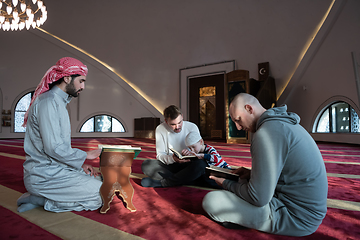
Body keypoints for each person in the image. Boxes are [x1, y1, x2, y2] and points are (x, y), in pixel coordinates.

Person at [202, 93, 328, 237]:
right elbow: (284, 172)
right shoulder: (280, 123)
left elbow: (258, 198)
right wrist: (250, 174)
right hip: (302, 209)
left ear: (249, 109)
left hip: (295, 217)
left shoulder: (266, 133)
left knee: (212, 201)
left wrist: (225, 183)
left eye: (238, 120)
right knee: (242, 181)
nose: (237, 127)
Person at [17, 57, 103, 213]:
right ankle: (39, 199)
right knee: (101, 193)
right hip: (43, 176)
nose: (83, 87)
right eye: (81, 81)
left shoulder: (59, 102)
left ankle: (47, 197)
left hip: (56, 170)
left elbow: (57, 148)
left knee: (100, 179)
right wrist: (85, 155)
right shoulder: (48, 102)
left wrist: (79, 165)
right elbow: (53, 148)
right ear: (67, 78)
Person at [141, 105, 217, 188]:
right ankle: (188, 179)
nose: (177, 127)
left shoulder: (192, 127)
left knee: (201, 165)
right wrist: (173, 159)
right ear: (166, 121)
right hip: (172, 164)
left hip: (190, 164)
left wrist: (190, 154)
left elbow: (201, 149)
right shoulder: (160, 129)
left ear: (182, 116)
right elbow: (160, 155)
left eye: (180, 122)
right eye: (173, 124)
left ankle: (165, 183)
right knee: (146, 165)